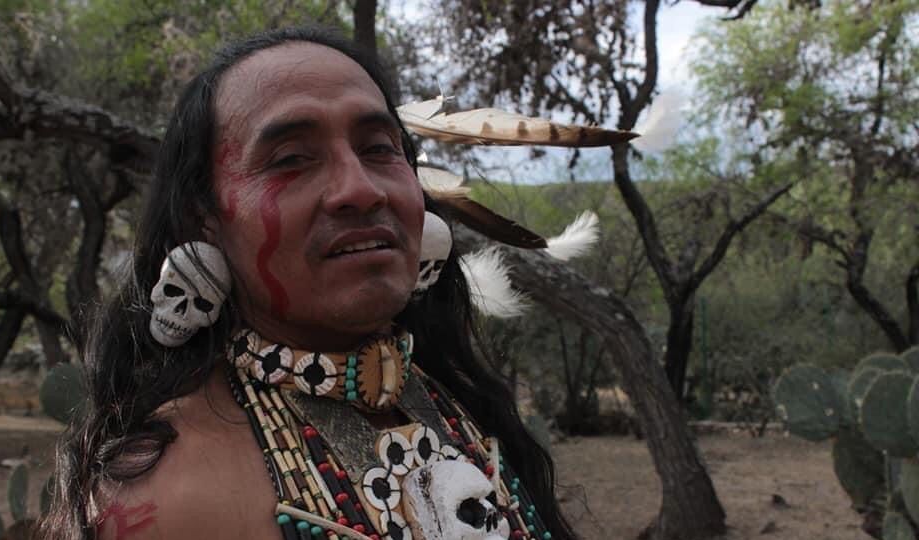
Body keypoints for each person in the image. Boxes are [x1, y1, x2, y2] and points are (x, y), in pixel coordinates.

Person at [40, 26, 576, 540]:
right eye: (291, 159)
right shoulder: (167, 494)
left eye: (379, 149)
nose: (361, 189)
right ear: (205, 217)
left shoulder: (467, 412)